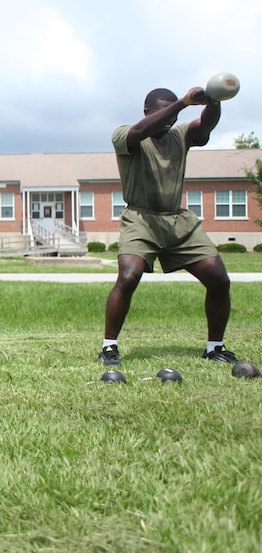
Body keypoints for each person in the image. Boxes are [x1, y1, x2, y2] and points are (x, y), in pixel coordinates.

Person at [99, 86, 240, 367]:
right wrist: (181, 104)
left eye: (172, 115)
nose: (168, 121)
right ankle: (109, 347)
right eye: (162, 114)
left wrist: (213, 101)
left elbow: (204, 127)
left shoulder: (180, 135)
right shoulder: (126, 134)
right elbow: (143, 130)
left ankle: (214, 348)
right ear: (147, 111)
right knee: (128, 276)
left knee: (219, 279)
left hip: (178, 221)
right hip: (140, 219)